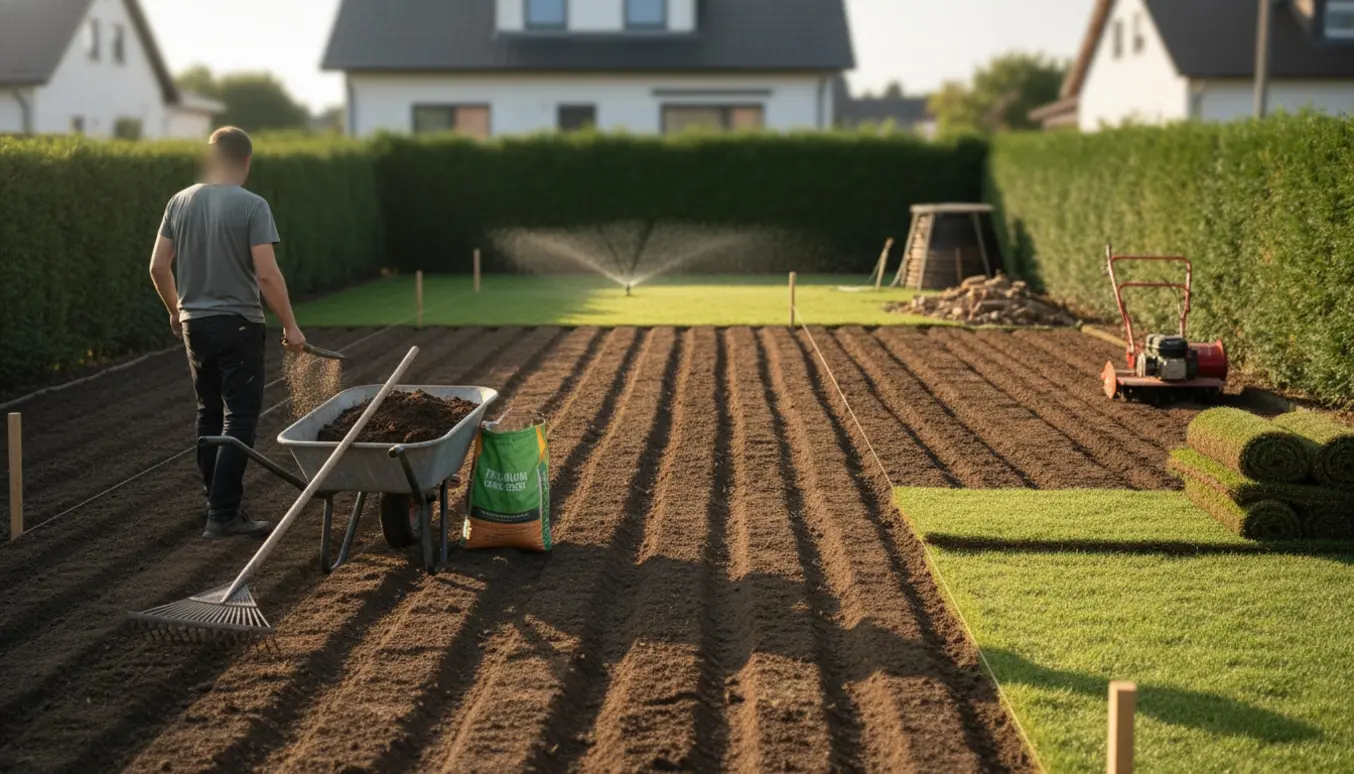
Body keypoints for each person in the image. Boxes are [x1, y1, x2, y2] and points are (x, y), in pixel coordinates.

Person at [149, 126, 307, 539]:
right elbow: (268, 276)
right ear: (246, 161)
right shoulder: (252, 206)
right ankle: (222, 514)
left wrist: (174, 310)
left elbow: (158, 267)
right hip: (239, 325)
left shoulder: (179, 201)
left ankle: (216, 503)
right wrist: (291, 325)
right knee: (240, 417)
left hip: (194, 326)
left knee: (209, 413)